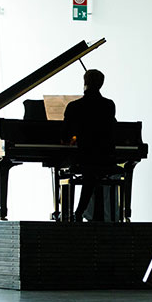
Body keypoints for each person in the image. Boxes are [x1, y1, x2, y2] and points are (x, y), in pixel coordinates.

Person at [64, 69, 116, 221]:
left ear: (84, 82)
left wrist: (72, 139)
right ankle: (80, 213)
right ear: (101, 84)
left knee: (88, 169)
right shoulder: (109, 105)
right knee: (92, 170)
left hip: (83, 157)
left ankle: (77, 213)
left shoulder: (74, 107)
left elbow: (66, 135)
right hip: (105, 157)